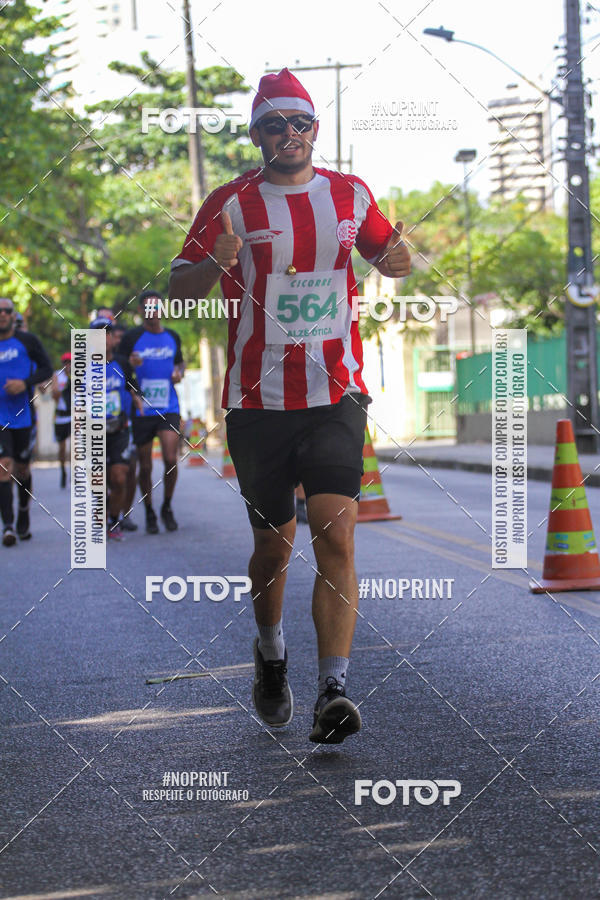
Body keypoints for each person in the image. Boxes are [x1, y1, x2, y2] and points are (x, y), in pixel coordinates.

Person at [169, 69, 411, 743]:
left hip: (335, 393)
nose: (289, 134)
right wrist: (213, 263)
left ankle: (334, 689)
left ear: (314, 129)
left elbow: (392, 256)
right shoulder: (229, 203)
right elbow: (179, 290)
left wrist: (399, 259)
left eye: (300, 123)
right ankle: (271, 654)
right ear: (257, 135)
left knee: (336, 531)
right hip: (257, 403)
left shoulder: (349, 193)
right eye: (274, 125)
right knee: (273, 547)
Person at [119, 290, 184, 534]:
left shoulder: (172, 336)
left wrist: (179, 372)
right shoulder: (132, 337)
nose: (153, 312)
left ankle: (167, 506)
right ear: (141, 311)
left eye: (157, 307)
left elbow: (180, 362)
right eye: (149, 307)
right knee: (145, 467)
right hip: (142, 408)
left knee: (170, 458)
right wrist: (130, 366)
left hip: (169, 406)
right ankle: (149, 511)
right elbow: (117, 367)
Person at [0, 297, 52, 545]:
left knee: (22, 469)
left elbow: (47, 369)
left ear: (13, 315)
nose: (2, 314)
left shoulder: (28, 341)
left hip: (22, 416)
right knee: (4, 467)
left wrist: (25, 383)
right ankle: (8, 527)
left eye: (6, 311)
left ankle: (23, 510)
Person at [89, 317, 143, 540]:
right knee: (99, 480)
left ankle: (113, 520)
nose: (103, 339)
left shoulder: (122, 363)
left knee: (120, 477)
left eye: (107, 334)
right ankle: (103, 509)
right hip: (94, 432)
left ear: (112, 339)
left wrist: (137, 398)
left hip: (120, 429)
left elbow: (133, 386)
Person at [52, 352, 72, 489]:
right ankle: (63, 470)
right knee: (62, 448)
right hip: (60, 416)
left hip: (73, 416)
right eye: (66, 362)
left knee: (75, 446)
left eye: (70, 362)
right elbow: (54, 396)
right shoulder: (57, 375)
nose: (68, 365)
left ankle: (74, 473)